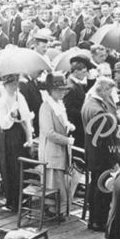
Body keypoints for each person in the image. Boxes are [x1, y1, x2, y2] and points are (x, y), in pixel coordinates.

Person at [82, 77, 120, 231]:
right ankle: (100, 221)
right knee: (103, 191)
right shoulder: (99, 110)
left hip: (93, 154)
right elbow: (107, 141)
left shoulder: (89, 104)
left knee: (94, 188)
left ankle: (93, 220)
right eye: (110, 91)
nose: (111, 94)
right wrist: (115, 161)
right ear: (104, 90)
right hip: (103, 157)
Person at [38, 72, 75, 221]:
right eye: (59, 90)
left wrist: (68, 126)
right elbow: (49, 132)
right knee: (53, 182)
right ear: (51, 90)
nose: (62, 93)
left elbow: (61, 123)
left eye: (63, 90)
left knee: (60, 181)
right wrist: (67, 140)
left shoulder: (60, 104)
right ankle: (52, 210)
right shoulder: (46, 106)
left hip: (60, 149)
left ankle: (58, 209)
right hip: (51, 150)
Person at [0, 74, 33, 211]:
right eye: (11, 84)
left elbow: (26, 116)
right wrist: (11, 114)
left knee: (22, 165)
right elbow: (3, 123)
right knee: (11, 167)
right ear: (5, 85)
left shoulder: (20, 97)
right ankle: (12, 200)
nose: (14, 86)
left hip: (20, 133)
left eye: (16, 83)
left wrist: (29, 135)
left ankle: (23, 196)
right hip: (8, 137)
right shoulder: (2, 101)